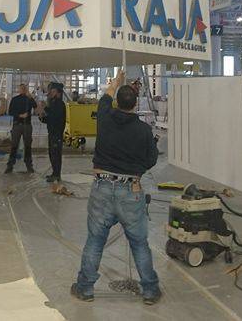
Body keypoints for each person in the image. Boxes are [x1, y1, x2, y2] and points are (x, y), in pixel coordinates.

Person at [71, 71, 162, 306]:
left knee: (95, 240)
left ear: (117, 102)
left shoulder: (104, 116)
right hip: (130, 190)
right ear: (135, 104)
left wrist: (117, 80)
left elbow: (106, 96)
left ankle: (85, 288)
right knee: (139, 243)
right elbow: (151, 159)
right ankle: (150, 290)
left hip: (102, 187)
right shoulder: (143, 130)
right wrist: (136, 170)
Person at [5, 84, 37, 173]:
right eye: (21, 88)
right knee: (14, 145)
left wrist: (31, 97)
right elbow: (10, 111)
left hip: (27, 125)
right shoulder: (15, 99)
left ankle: (29, 164)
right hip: (17, 124)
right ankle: (10, 165)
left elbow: (35, 106)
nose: (23, 90)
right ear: (19, 90)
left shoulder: (29, 99)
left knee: (28, 146)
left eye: (24, 88)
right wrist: (20, 115)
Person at [40, 83, 67, 182]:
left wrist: (45, 108)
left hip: (57, 134)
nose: (51, 93)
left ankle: (57, 174)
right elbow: (50, 119)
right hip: (52, 133)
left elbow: (55, 117)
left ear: (58, 92)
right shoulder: (53, 103)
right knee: (52, 154)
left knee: (56, 154)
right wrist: (42, 117)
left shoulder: (60, 104)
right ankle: (54, 173)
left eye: (53, 91)